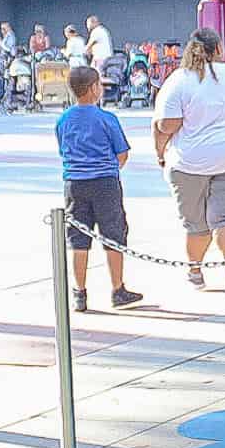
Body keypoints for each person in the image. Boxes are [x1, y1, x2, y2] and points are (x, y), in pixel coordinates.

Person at [153, 27, 225, 300]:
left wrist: (160, 152)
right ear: (219, 49)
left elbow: (166, 124)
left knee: (196, 224)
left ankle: (195, 271)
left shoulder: (179, 80)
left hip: (189, 163)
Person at [56, 65, 142, 313]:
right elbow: (122, 153)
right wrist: (111, 168)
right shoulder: (107, 119)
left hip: (74, 183)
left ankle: (79, 292)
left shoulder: (64, 119)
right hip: (105, 182)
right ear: (94, 89)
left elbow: (63, 149)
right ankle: (118, 289)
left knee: (78, 238)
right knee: (113, 233)